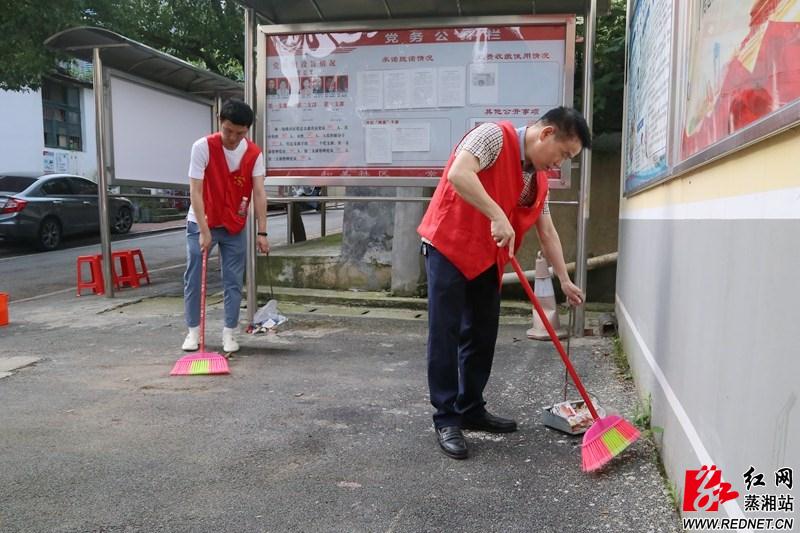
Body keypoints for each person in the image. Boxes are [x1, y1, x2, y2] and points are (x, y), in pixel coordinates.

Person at [417, 106, 591, 460]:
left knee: (481, 334)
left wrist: (564, 279)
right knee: (446, 333)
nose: (558, 164)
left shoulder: (537, 179)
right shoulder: (493, 137)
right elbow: (459, 174)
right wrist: (497, 214)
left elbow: (547, 231)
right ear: (545, 134)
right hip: (449, 245)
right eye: (562, 154)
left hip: (487, 255)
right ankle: (446, 418)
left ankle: (471, 407)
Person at [181, 99, 269, 353]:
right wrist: (204, 231)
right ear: (221, 122)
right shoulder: (202, 147)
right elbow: (195, 192)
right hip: (202, 220)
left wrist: (261, 231)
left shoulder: (254, 154)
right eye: (228, 130)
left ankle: (230, 332)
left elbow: (260, 193)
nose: (232, 138)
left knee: (232, 280)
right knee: (195, 277)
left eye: (239, 133)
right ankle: (193, 332)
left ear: (247, 131)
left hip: (234, 224)